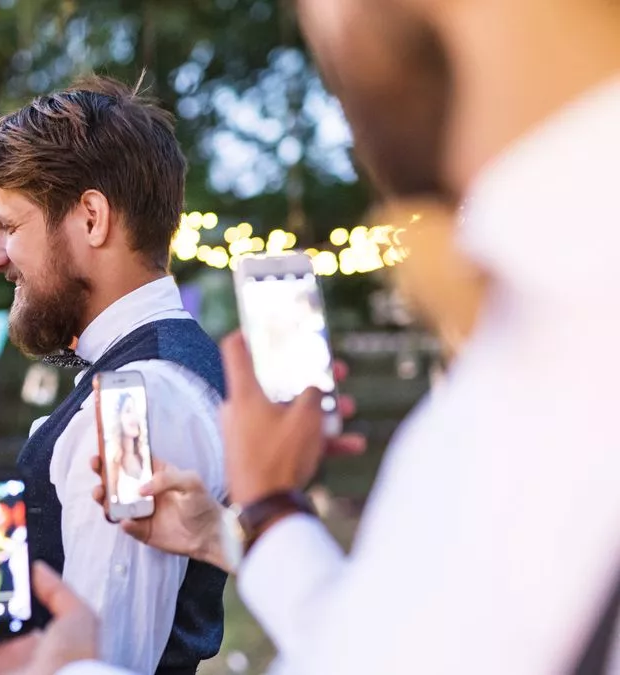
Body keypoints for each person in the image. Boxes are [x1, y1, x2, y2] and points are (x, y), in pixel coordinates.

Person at [95, 0, 620, 670]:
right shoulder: (538, 328)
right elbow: (400, 646)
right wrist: (265, 516)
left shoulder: (556, 358)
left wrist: (65, 658)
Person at [0, 76, 228, 673]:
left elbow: (110, 659)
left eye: (9, 226)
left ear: (93, 218)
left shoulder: (139, 399)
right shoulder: (151, 365)